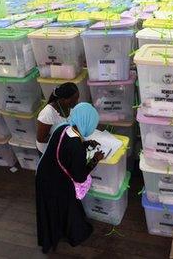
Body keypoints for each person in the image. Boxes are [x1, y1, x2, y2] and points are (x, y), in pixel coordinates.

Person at [35, 103, 104, 254]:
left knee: (53, 209)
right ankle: (73, 234)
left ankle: (56, 231)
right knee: (68, 207)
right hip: (56, 181)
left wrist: (85, 144)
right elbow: (79, 177)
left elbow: (65, 148)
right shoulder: (75, 146)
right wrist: (95, 160)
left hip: (45, 174)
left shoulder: (64, 127)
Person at [36, 83, 80, 154]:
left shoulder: (69, 107)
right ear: (62, 99)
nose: (76, 103)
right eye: (73, 100)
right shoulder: (47, 113)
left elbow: (73, 125)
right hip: (48, 151)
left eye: (77, 99)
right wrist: (64, 137)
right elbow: (41, 139)